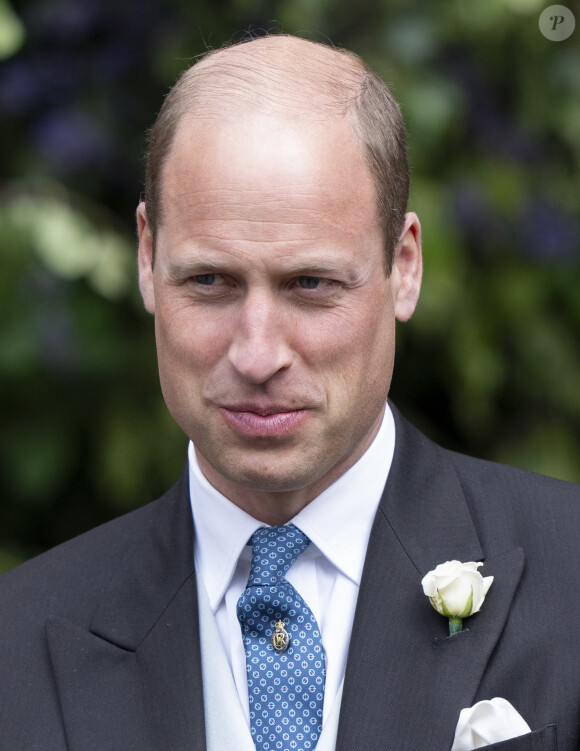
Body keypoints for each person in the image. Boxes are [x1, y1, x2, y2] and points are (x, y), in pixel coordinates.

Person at [0, 34, 578, 751]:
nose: (258, 353)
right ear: (148, 258)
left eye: (311, 285)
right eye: (209, 282)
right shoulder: (17, 642)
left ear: (404, 266)